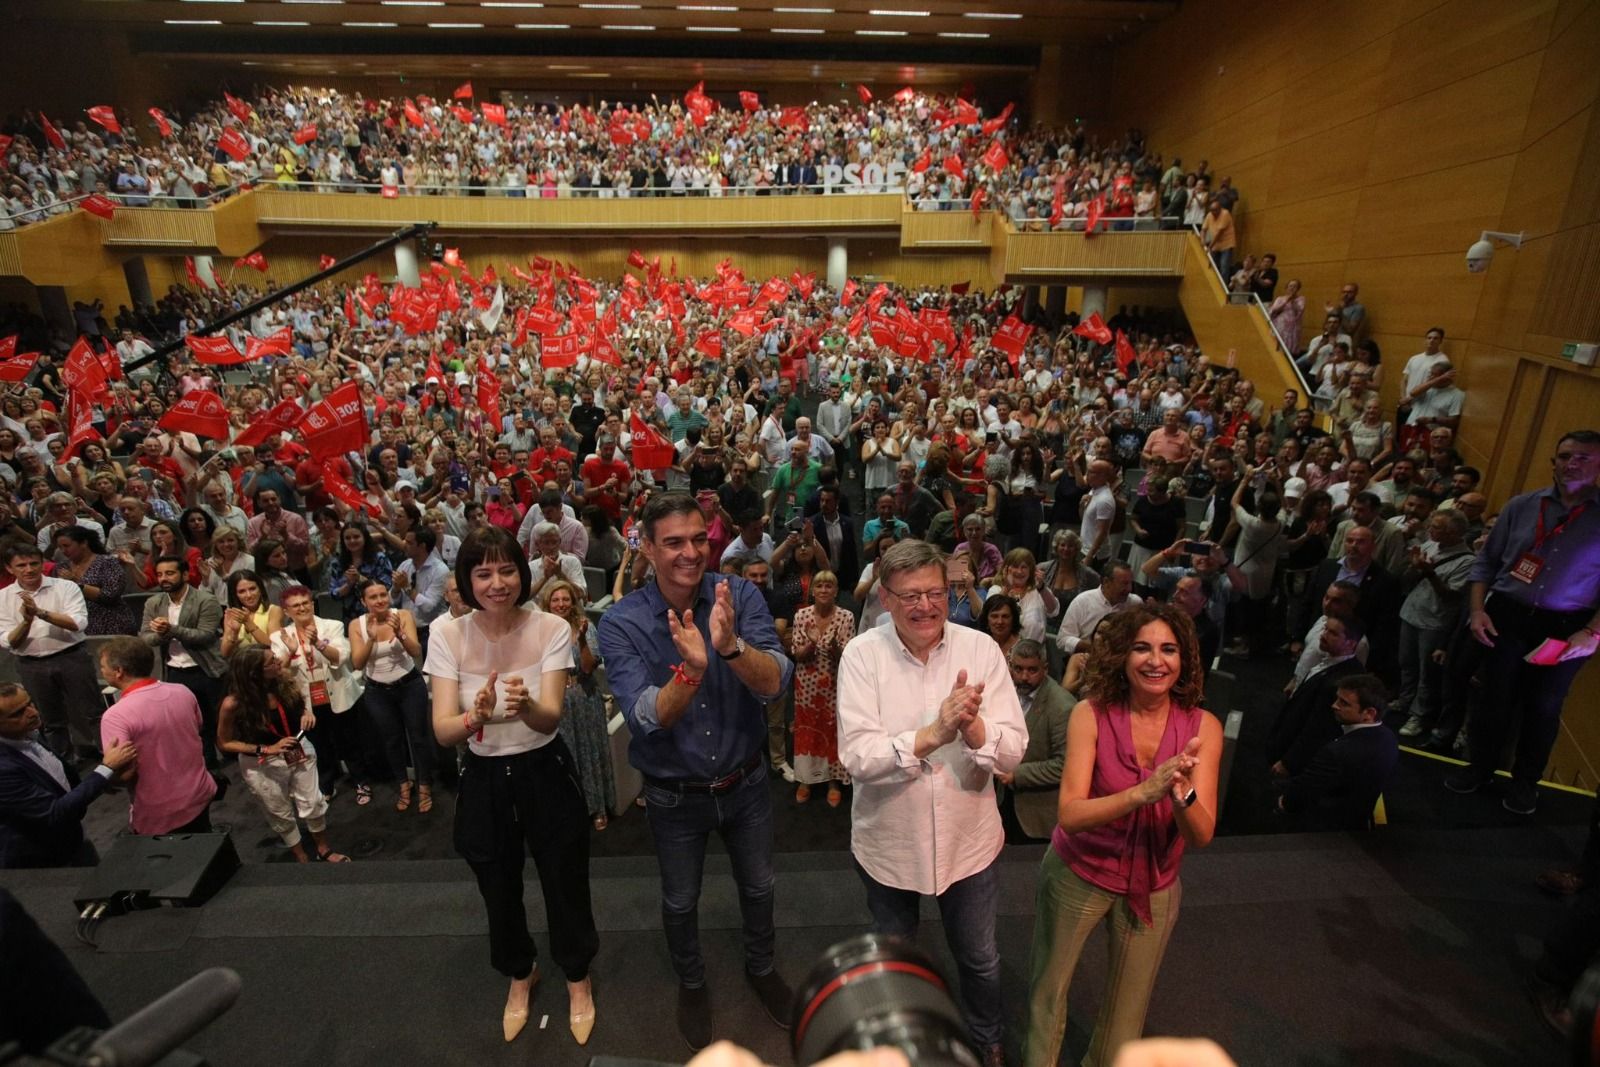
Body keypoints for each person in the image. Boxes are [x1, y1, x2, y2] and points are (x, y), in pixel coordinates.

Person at [597, 492, 793, 1051]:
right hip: (673, 796)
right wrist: (690, 672)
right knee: (680, 900)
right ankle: (692, 981)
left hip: (747, 784)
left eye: (697, 539)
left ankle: (761, 968)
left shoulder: (742, 594)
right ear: (648, 547)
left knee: (759, 886)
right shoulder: (621, 623)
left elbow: (776, 679)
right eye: (674, 542)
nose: (689, 552)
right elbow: (642, 718)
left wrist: (730, 649)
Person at [837, 538, 1028, 1067]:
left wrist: (972, 728)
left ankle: (986, 1035)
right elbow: (857, 756)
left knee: (981, 959)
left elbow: (1013, 750)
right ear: (886, 598)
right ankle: (904, 1043)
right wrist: (933, 733)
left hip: (970, 844)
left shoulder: (980, 649)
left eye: (936, 592)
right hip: (889, 843)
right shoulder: (861, 655)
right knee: (898, 959)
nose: (925, 606)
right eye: (910, 595)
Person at [1022, 602, 1221, 1067]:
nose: (1156, 661)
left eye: (1168, 649)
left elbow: (1202, 835)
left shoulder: (1203, 727)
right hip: (1078, 874)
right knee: (1047, 993)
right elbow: (1069, 814)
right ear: (1122, 657)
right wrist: (1143, 792)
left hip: (1152, 886)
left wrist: (1181, 794)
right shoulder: (1090, 715)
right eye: (1142, 648)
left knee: (1125, 1019)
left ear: (1184, 659)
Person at [429, 526, 598, 1045]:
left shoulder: (550, 626)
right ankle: (520, 973)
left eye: (506, 570)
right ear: (467, 578)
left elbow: (549, 720)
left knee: (564, 878)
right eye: (483, 573)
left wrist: (523, 706)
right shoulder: (446, 633)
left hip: (544, 767)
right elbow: (442, 730)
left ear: (521, 573)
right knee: (496, 887)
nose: (496, 583)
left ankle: (577, 976)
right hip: (483, 775)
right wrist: (474, 718)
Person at [1445, 430, 1600, 815]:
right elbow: (1486, 563)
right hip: (1507, 615)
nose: (1571, 464)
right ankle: (1479, 769)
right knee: (1493, 700)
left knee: (1544, 707)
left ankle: (1525, 785)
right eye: (1564, 456)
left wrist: (1592, 631)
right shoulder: (1522, 506)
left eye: (1583, 457)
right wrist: (1478, 610)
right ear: (1554, 461)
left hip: (1569, 627)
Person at [216, 645, 350, 864]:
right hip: (262, 762)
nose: (278, 662)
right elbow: (224, 742)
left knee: (313, 801)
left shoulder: (284, 682)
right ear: (254, 673)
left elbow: (298, 706)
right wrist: (267, 749)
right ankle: (300, 855)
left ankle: (323, 849)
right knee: (279, 810)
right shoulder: (234, 703)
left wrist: (306, 713)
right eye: (271, 662)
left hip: (298, 749)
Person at [0, 683, 137, 868]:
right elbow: (53, 813)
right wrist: (105, 769)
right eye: (18, 713)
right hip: (45, 859)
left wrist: (102, 782)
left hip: (72, 837)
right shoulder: (4, 769)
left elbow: (58, 780)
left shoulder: (26, 732)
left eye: (29, 704)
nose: (32, 713)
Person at [96, 636, 217, 835]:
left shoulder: (115, 717)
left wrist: (103, 778)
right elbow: (197, 728)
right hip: (199, 794)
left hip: (160, 813)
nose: (101, 671)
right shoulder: (183, 691)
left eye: (103, 666)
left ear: (119, 671)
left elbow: (124, 773)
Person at [0, 543, 104, 762]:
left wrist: (39, 612)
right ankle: (64, 767)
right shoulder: (3, 597)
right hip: (31, 664)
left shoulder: (65, 587)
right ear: (10, 569)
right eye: (21, 565)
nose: (29, 569)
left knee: (93, 713)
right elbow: (9, 641)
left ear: (42, 564)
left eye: (33, 563)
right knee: (49, 721)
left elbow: (78, 623)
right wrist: (27, 621)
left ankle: (111, 762)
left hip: (71, 657)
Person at [272, 585, 368, 803]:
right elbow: (280, 673)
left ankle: (361, 782)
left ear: (312, 604)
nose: (302, 607)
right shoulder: (279, 636)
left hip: (339, 693)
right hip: (306, 702)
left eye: (305, 602)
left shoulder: (331, 626)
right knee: (319, 745)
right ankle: (327, 785)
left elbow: (342, 657)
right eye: (295, 605)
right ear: (286, 611)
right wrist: (291, 650)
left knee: (349, 741)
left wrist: (317, 643)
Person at [1274, 673, 1398, 831]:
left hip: (1320, 826)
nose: (1334, 705)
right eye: (1337, 698)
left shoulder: (1337, 752)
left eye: (1344, 703)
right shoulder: (1389, 738)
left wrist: (1284, 803)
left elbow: (1302, 792)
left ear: (1369, 713)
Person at [349, 578, 432, 814]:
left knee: (418, 738)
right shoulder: (357, 624)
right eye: (373, 597)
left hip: (409, 685)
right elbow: (357, 663)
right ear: (364, 601)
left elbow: (416, 652)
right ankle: (404, 785)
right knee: (392, 740)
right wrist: (372, 638)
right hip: (377, 691)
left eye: (383, 594)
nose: (380, 600)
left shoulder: (403, 615)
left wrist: (400, 633)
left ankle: (425, 785)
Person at [542, 579, 616, 832]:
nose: (561, 604)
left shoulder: (585, 626)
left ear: (573, 602)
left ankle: (597, 807)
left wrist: (582, 640)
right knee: (564, 757)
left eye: (566, 599)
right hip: (554, 700)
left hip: (584, 698)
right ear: (548, 603)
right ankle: (568, 810)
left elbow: (587, 667)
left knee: (589, 753)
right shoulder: (539, 630)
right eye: (556, 600)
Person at [140, 556, 227, 769]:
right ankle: (206, 762)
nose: (164, 579)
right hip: (174, 670)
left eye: (169, 573)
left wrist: (171, 629)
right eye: (160, 575)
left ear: (186, 575)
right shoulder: (154, 603)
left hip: (206, 669)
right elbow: (145, 637)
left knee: (216, 719)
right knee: (189, 722)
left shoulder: (205, 600)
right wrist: (162, 634)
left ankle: (231, 754)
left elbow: (205, 635)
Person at [995, 639, 1071, 843]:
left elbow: (1065, 765)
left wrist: (1017, 774)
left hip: (1038, 813)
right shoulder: (1005, 691)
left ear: (1045, 669)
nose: (1023, 677)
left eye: (1032, 670)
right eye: (1018, 669)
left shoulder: (1062, 707)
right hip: (1004, 802)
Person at [789, 569, 854, 807]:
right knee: (808, 729)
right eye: (820, 586)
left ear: (836, 591)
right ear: (813, 591)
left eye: (829, 586)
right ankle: (806, 779)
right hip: (806, 684)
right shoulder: (801, 616)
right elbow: (798, 656)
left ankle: (833, 781)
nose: (824, 590)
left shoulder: (846, 617)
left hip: (835, 683)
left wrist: (835, 645)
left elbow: (847, 657)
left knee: (832, 730)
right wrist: (812, 643)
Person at [53, 525, 136, 635]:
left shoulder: (107, 562)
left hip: (111, 621)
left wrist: (76, 582)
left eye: (66, 546)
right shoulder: (61, 567)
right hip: (77, 624)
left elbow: (109, 595)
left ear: (84, 543)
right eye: (60, 547)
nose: (63, 550)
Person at [1057, 561, 1142, 654]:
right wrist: (1094, 648)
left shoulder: (1135, 603)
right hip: (1085, 661)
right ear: (1106, 582)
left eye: (1130, 583)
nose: (1129, 589)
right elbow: (1062, 640)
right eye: (1124, 583)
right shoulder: (1082, 602)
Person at [220, 570, 284, 658]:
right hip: (244, 667)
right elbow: (225, 653)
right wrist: (234, 633)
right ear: (235, 595)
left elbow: (274, 646)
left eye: (252, 589)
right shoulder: (233, 615)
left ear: (260, 589)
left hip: (270, 665)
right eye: (242, 591)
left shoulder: (273, 611)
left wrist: (248, 623)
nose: (249, 595)